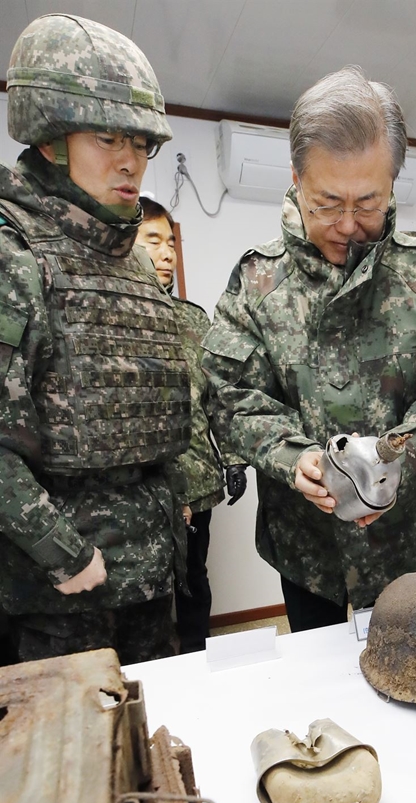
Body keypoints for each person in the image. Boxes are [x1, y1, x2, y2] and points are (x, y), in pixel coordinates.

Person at [202, 66, 416, 632]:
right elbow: (228, 397)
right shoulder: (260, 281)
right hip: (306, 549)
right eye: (327, 202)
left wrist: (399, 453)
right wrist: (294, 459)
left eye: (368, 203)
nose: (347, 226)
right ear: (295, 178)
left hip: (413, 543)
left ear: (393, 184)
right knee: (324, 691)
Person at [0, 14, 191, 663]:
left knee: (156, 747)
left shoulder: (130, 260)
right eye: (108, 137)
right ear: (51, 139)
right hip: (60, 597)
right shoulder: (14, 252)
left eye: (141, 143)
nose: (130, 160)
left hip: (149, 581)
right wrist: (63, 552)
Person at [136, 197, 247, 653]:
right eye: (153, 241)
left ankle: (199, 659)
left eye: (171, 242)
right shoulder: (124, 319)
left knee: (194, 581)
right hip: (144, 488)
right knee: (151, 591)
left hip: (198, 480)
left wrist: (236, 459)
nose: (166, 253)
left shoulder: (192, 319)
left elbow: (219, 398)